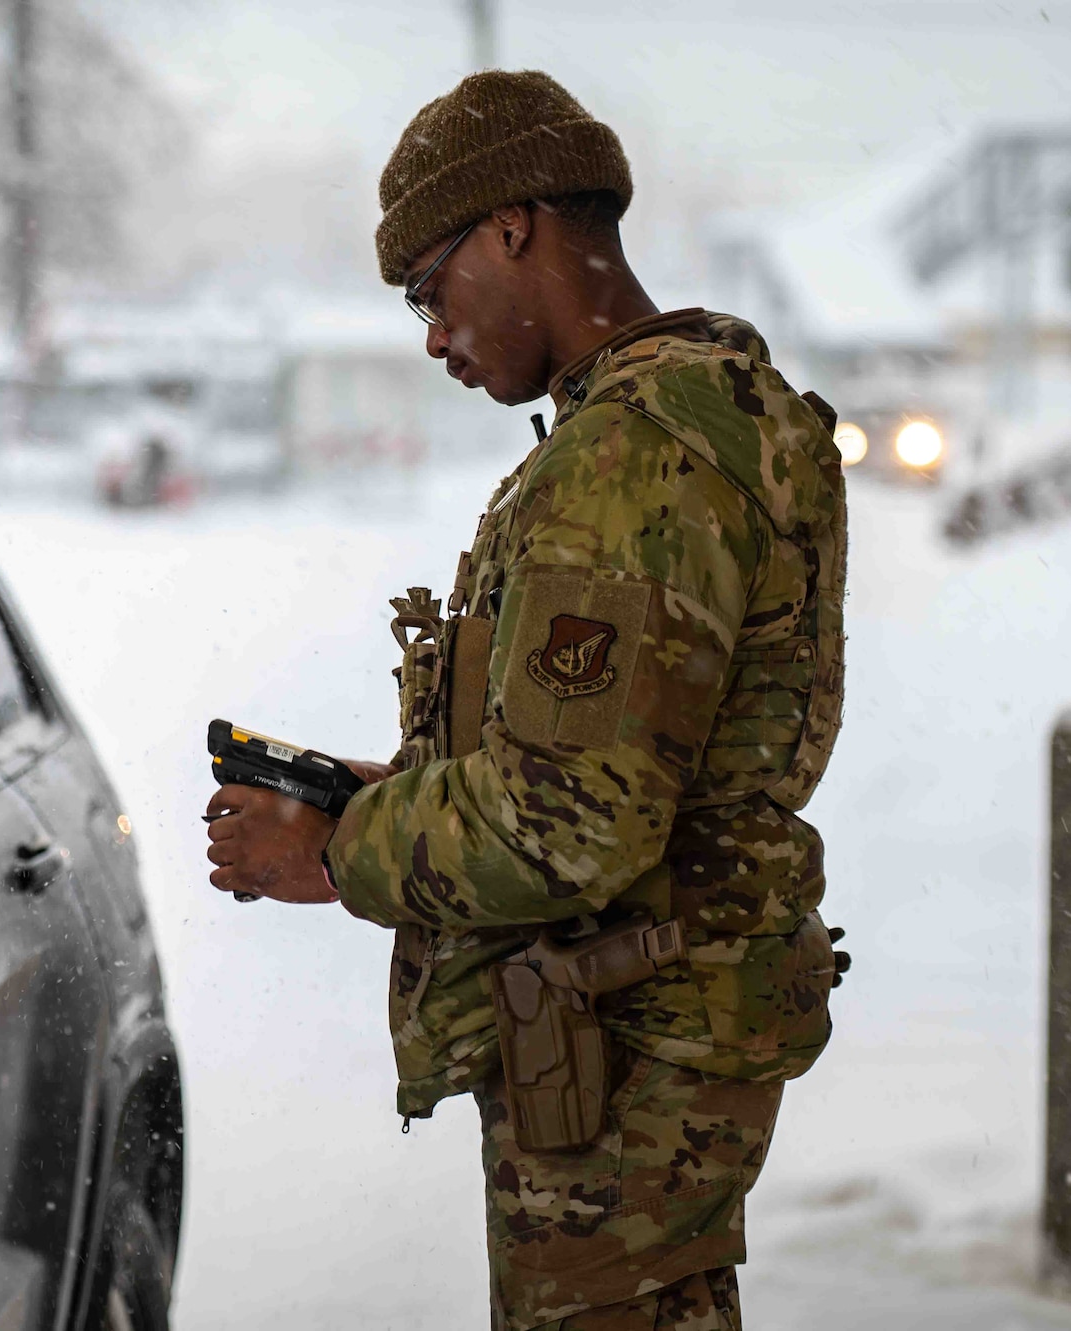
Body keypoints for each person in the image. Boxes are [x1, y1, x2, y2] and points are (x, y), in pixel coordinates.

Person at [204, 70, 849, 1331]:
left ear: (513, 226)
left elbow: (567, 824)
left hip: (623, 1059)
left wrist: (336, 846)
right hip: (644, 1033)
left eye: (426, 286)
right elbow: (637, 762)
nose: (431, 334)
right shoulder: (716, 409)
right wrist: (395, 790)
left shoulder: (628, 458)